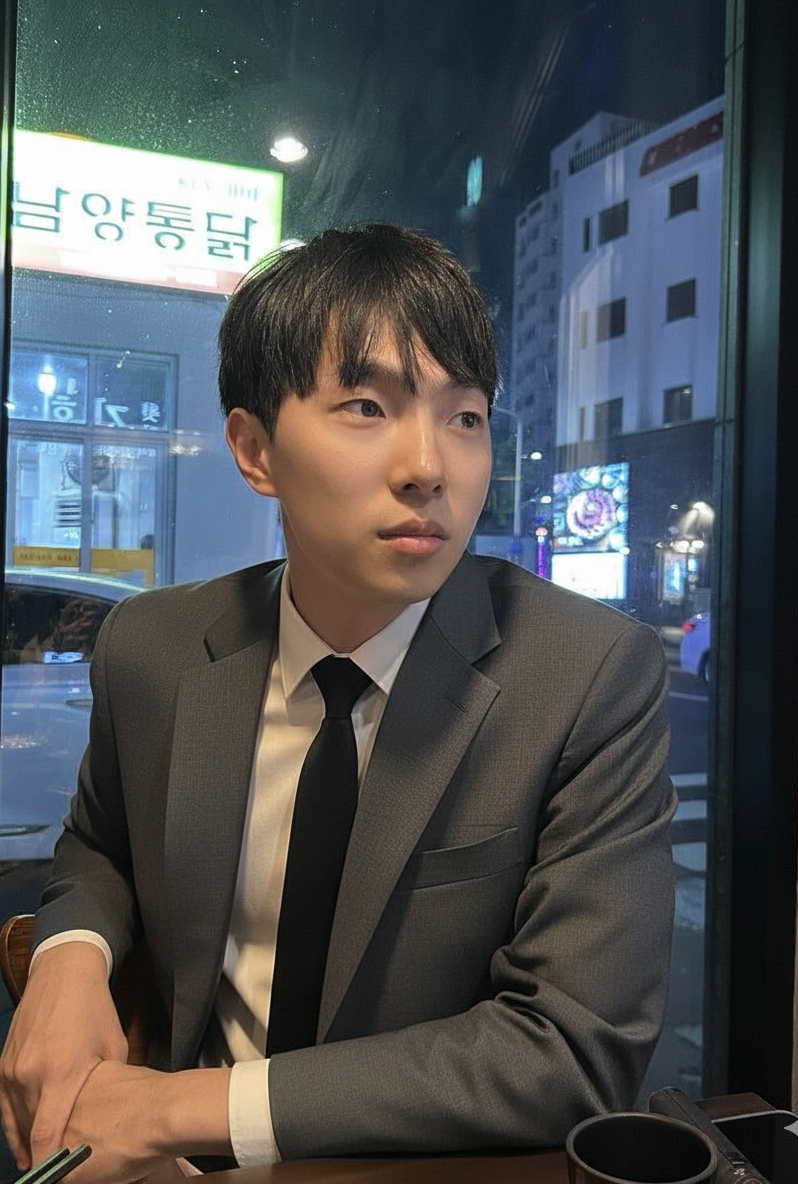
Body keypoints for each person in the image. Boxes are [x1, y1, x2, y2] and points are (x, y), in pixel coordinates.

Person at [0, 223, 676, 1183]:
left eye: (465, 416)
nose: (429, 465)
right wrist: (68, 959)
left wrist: (172, 1110)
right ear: (254, 449)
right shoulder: (154, 646)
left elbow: (575, 1049)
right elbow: (101, 845)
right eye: (367, 406)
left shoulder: (586, 673)